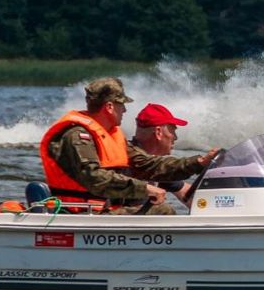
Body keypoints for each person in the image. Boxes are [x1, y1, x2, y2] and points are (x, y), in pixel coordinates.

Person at [39, 77, 172, 214]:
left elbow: (148, 163)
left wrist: (194, 163)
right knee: (163, 211)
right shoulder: (77, 136)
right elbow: (94, 177)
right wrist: (144, 188)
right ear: (109, 107)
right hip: (81, 214)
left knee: (157, 209)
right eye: (121, 105)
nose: (125, 110)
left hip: (102, 212)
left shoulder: (110, 136)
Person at [127, 103, 221, 204]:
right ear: (158, 132)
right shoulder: (131, 159)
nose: (175, 137)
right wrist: (201, 162)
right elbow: (160, 166)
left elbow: (186, 193)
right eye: (173, 131)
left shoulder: (157, 169)